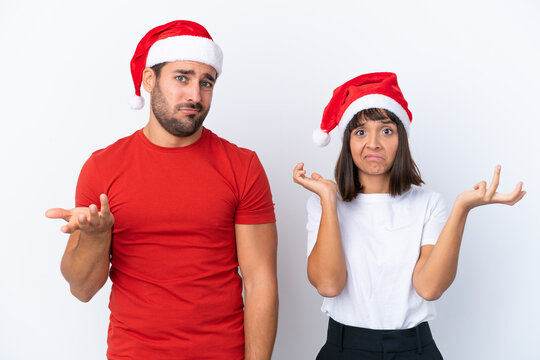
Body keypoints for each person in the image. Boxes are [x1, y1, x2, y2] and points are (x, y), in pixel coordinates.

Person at [46, 20, 278, 360]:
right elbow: (82, 289)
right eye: (182, 78)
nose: (195, 96)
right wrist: (97, 237)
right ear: (150, 80)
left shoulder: (241, 166)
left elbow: (261, 283)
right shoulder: (103, 167)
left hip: (221, 352)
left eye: (206, 82)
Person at [293, 72, 525, 359]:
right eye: (361, 132)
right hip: (344, 347)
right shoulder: (323, 204)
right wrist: (329, 199)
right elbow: (329, 284)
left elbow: (429, 288)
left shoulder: (428, 204)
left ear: (401, 139)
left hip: (413, 349)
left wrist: (462, 209)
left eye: (386, 130)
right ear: (347, 141)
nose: (374, 143)